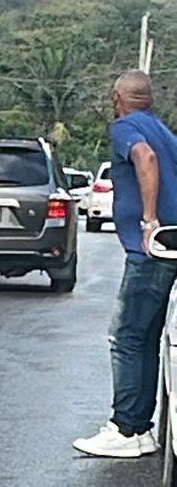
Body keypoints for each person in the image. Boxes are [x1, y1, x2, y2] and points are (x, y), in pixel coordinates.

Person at [73, 70, 177, 458]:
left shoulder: (126, 128)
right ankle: (142, 429)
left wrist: (149, 220)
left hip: (150, 251)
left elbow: (143, 158)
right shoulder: (162, 129)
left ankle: (125, 429)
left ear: (117, 98)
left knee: (127, 335)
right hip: (169, 246)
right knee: (146, 337)